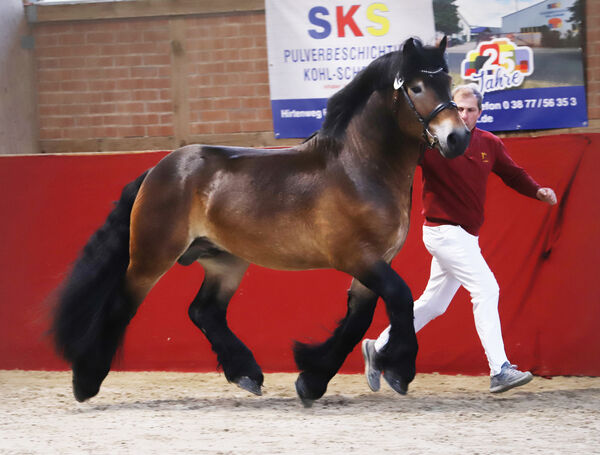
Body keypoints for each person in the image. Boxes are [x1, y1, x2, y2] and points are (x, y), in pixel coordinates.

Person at [362, 83, 557, 394]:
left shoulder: (489, 143)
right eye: (459, 109)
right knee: (487, 289)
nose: (464, 115)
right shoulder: (432, 143)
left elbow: (513, 174)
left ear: (480, 113)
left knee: (434, 305)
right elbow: (395, 163)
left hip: (466, 237)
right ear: (451, 110)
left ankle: (378, 347)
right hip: (442, 232)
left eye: (470, 110)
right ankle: (500, 369)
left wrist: (537, 190)